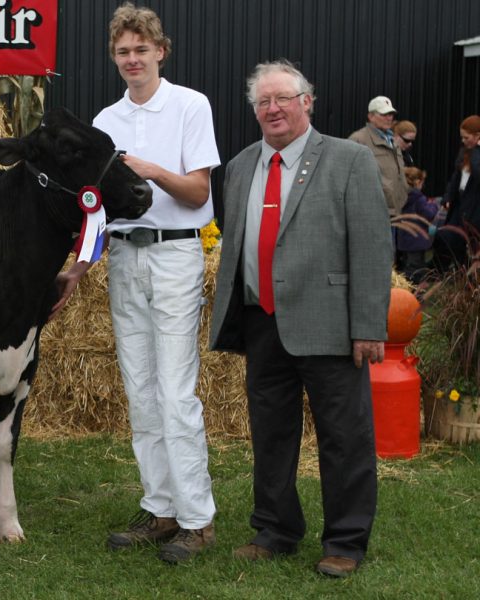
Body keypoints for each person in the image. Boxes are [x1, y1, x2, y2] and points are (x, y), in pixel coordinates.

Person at [209, 60, 391, 578]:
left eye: (282, 99)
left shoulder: (348, 159)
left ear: (306, 102)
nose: (272, 109)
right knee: (270, 433)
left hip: (329, 322)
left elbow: (373, 246)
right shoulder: (242, 164)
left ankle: (346, 541)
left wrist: (368, 325)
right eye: (263, 102)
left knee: (344, 436)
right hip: (262, 320)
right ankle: (275, 529)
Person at [54, 2, 220, 564]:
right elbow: (97, 211)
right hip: (124, 257)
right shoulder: (106, 121)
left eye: (140, 50)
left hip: (175, 255)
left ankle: (198, 519)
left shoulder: (190, 105)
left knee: (176, 393)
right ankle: (160, 507)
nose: (131, 59)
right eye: (122, 52)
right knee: (141, 392)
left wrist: (150, 170)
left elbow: (198, 194)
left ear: (160, 52)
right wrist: (79, 265)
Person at [348, 95, 408, 218]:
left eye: (391, 114)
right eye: (383, 114)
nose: (389, 118)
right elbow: (348, 177)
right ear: (370, 116)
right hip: (374, 212)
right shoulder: (358, 139)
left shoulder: (392, 140)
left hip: (397, 210)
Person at [433, 115, 480, 271]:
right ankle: (456, 272)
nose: (463, 141)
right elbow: (456, 176)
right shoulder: (465, 151)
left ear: (477, 136)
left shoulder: (473, 153)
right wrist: (448, 196)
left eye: (466, 137)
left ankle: (471, 279)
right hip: (459, 204)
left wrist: (475, 151)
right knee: (449, 238)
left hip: (475, 207)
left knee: (473, 243)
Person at [396, 166, 437, 283]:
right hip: (416, 241)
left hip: (404, 240)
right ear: (418, 182)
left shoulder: (400, 196)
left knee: (407, 265)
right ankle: (413, 293)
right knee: (416, 269)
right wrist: (433, 205)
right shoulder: (419, 198)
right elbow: (429, 213)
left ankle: (405, 290)